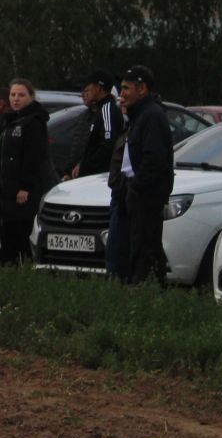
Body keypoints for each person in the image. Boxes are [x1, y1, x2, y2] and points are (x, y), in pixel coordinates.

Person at [119, 65, 175, 283]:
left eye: (126, 88)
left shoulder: (151, 115)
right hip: (138, 190)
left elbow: (154, 158)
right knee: (141, 244)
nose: (122, 94)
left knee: (145, 247)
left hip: (146, 194)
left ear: (141, 89)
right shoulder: (139, 114)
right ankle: (147, 288)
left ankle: (145, 290)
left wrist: (137, 186)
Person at [0, 79, 53, 265]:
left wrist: (25, 187)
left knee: (20, 229)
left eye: (21, 95)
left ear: (31, 97)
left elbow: (33, 157)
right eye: (13, 95)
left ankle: (20, 265)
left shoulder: (34, 122)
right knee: (7, 228)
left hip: (23, 190)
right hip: (7, 187)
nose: (16, 99)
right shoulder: (10, 120)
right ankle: (10, 264)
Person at [73, 69, 123, 179]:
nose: (87, 91)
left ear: (98, 88)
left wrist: (87, 166)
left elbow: (108, 144)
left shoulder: (107, 109)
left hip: (99, 176)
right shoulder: (101, 109)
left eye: (90, 86)